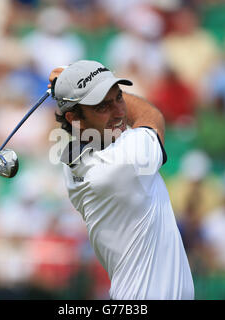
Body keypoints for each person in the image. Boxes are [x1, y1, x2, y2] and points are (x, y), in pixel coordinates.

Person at [48, 60, 194, 300]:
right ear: (75, 118)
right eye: (103, 106)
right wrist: (71, 81)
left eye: (118, 98)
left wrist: (76, 84)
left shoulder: (76, 160)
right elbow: (151, 115)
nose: (119, 111)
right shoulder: (125, 161)